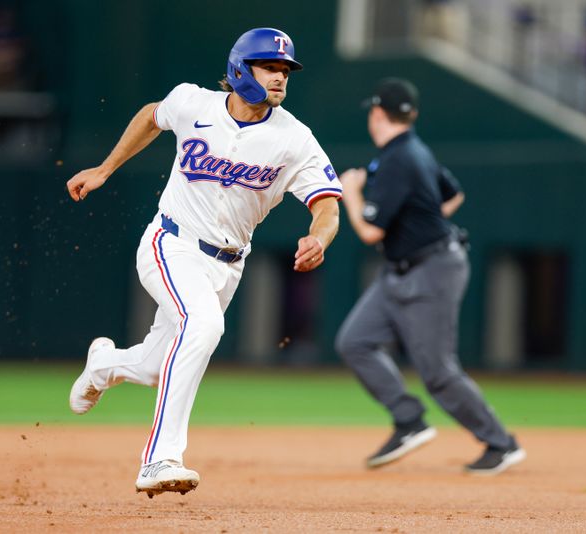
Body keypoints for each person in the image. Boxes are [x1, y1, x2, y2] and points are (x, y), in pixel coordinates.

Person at [66, 28, 342, 497]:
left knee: (158, 366)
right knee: (203, 325)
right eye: (269, 67)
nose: (279, 78)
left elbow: (328, 206)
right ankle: (160, 458)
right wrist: (104, 168)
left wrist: (319, 237)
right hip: (170, 243)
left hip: (228, 265)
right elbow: (151, 116)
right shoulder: (194, 103)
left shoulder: (295, 139)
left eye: (285, 70)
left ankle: (104, 366)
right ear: (240, 69)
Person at [335, 78, 526, 475]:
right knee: (355, 341)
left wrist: (350, 192)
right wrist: (424, 220)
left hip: (432, 268)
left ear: (377, 114)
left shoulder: (397, 159)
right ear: (412, 114)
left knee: (437, 370)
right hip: (401, 269)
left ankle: (501, 443)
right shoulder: (415, 151)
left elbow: (371, 231)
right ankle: (409, 420)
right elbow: (453, 194)